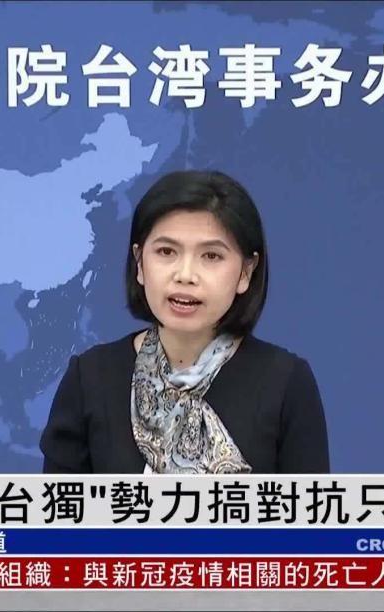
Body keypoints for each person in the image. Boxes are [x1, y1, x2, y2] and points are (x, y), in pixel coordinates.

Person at [40, 170, 329, 474]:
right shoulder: (90, 379)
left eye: (211, 256)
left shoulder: (285, 384)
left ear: (246, 271)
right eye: (166, 252)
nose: (185, 275)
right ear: (139, 263)